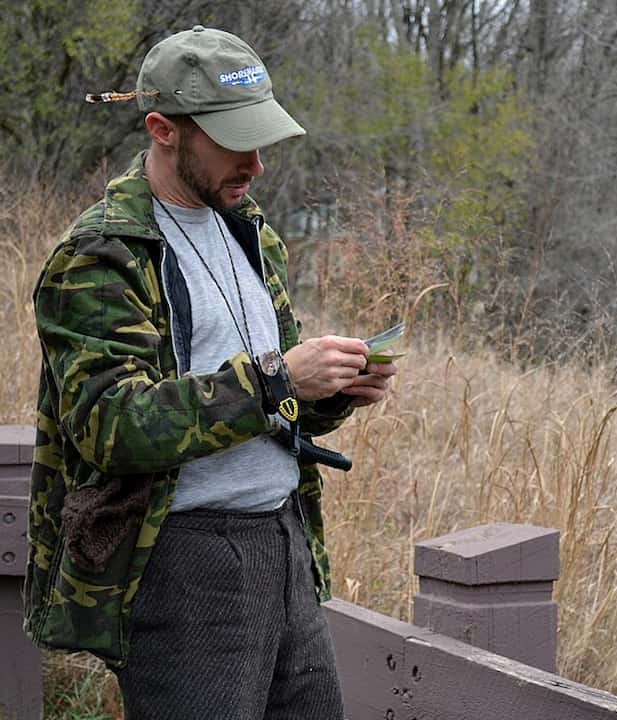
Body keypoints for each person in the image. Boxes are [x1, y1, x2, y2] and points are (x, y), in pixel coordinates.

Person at [23, 26, 396, 719]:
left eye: (261, 141)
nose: (256, 164)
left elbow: (266, 402)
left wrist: (330, 391)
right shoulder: (103, 255)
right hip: (184, 561)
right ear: (163, 129)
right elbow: (110, 426)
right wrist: (277, 380)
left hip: (285, 540)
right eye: (235, 143)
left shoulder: (246, 228)